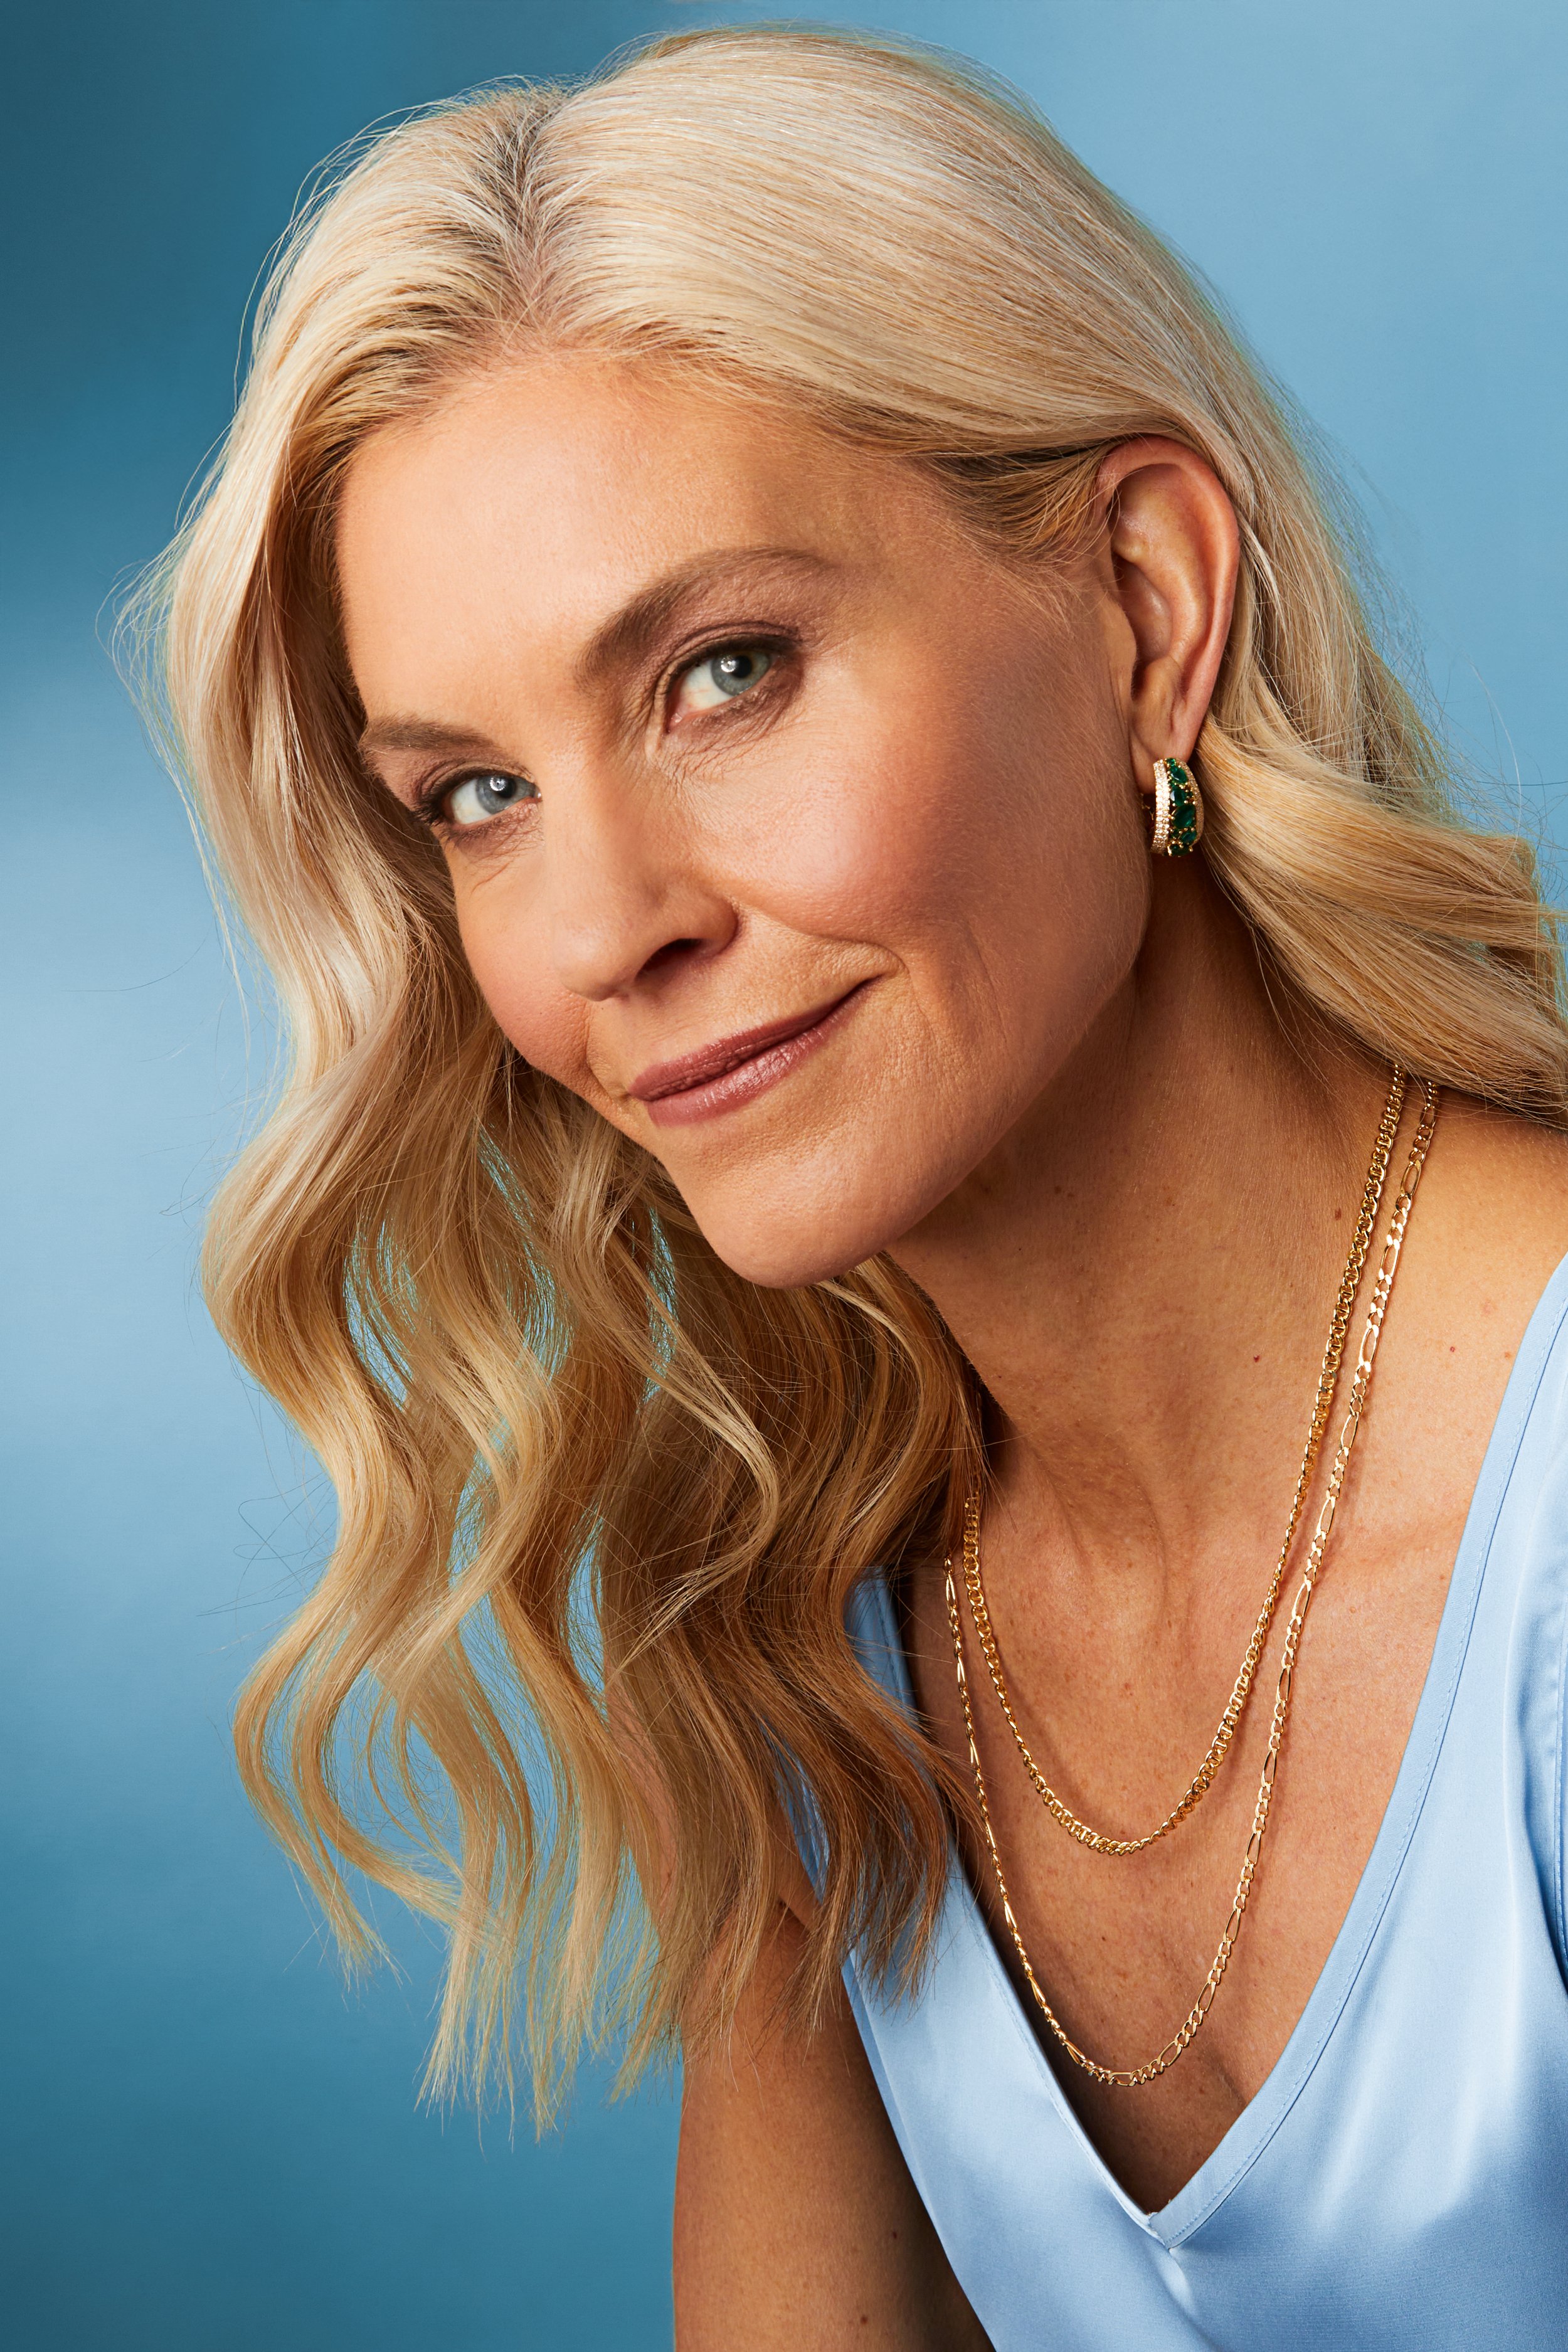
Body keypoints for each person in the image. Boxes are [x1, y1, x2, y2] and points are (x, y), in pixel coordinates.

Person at [137, 24, 1568, 2348]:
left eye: (723, 672)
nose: (609, 929)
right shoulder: (827, 1641)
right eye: (473, 795)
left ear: (1140, 603)